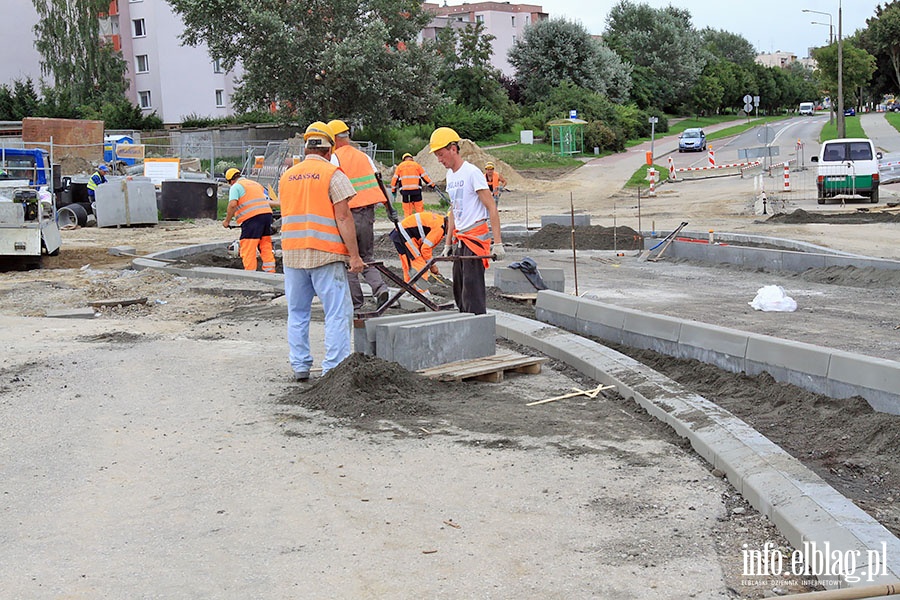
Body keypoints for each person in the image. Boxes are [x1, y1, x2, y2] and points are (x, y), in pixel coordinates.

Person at [277, 121, 364, 381]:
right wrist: (355, 256)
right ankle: (334, 369)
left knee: (298, 312)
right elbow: (344, 218)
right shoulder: (333, 174)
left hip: (293, 254)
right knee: (337, 312)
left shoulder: (287, 176)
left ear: (307, 148)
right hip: (325, 253)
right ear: (330, 149)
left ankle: (300, 366)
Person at [429, 127, 504, 315]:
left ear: (453, 149)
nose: (439, 159)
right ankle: (465, 323)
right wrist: (447, 243)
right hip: (460, 238)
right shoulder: (450, 176)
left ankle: (477, 325)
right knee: (459, 288)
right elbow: (454, 209)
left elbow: (491, 207)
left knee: (473, 290)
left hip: (475, 239)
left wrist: (498, 243)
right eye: (437, 156)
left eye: (441, 154)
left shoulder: (471, 173)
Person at [327, 119, 398, 310]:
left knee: (350, 257)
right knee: (367, 256)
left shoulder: (335, 158)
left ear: (333, 139)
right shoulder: (363, 157)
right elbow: (379, 181)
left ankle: (356, 303)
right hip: (368, 214)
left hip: (348, 215)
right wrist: (391, 209)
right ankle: (380, 288)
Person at [222, 168, 277, 273]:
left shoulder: (236, 187)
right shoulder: (255, 184)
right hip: (267, 215)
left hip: (252, 218)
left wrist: (227, 221)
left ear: (230, 181)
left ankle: (250, 272)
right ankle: (270, 271)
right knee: (265, 244)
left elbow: (233, 204)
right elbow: (266, 200)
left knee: (248, 246)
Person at [388, 211, 447, 294]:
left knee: (408, 265)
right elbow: (425, 249)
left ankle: (408, 289)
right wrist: (432, 265)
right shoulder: (439, 228)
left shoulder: (439, 221)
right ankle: (422, 293)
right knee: (419, 263)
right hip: (405, 234)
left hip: (399, 233)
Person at [391, 152, 435, 217]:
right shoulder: (417, 165)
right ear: (411, 158)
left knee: (407, 212)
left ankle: (409, 225)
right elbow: (425, 177)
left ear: (403, 159)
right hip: (416, 192)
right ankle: (421, 225)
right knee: (419, 211)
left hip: (405, 193)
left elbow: (394, 180)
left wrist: (393, 191)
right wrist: (432, 185)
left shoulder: (400, 166)